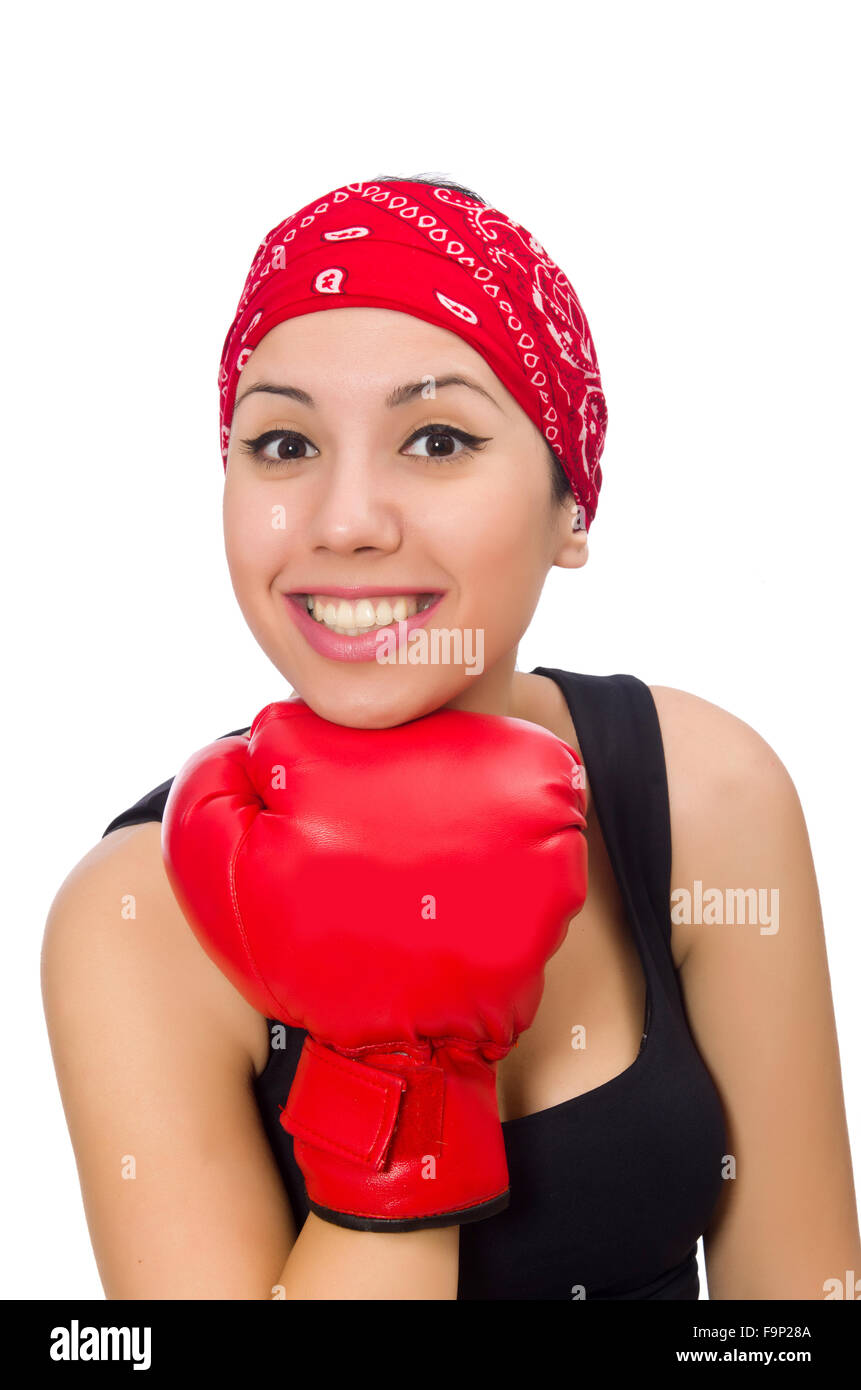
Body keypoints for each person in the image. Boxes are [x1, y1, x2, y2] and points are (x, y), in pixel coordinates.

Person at [41, 173, 861, 1300]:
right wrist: (397, 1063)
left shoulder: (707, 798)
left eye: (435, 437)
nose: (346, 520)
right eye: (283, 444)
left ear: (572, 508)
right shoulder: (136, 920)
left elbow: (799, 1308)